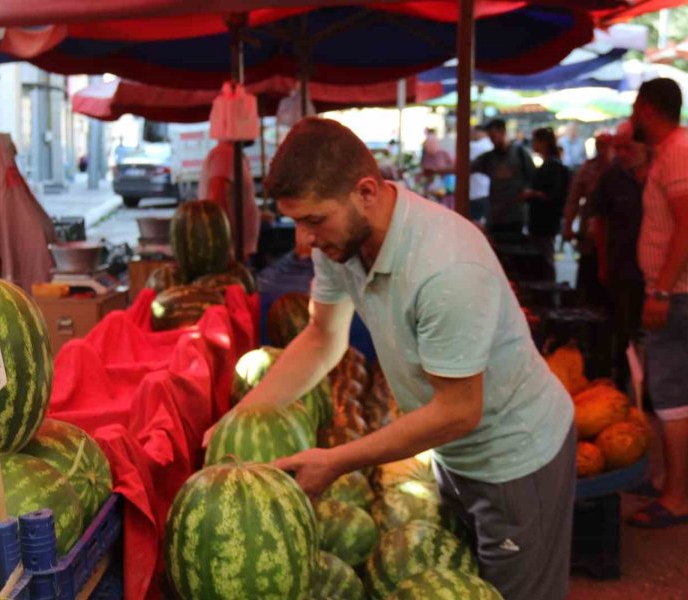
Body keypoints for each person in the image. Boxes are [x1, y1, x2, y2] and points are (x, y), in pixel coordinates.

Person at [215, 117, 576, 600]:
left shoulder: (447, 267)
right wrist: (239, 419)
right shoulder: (340, 244)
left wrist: (335, 461)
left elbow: (459, 410)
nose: (303, 242)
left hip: (515, 458)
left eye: (314, 221)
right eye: (295, 222)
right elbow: (322, 337)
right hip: (454, 451)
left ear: (366, 192)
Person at [626, 78, 688, 528]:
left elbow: (687, 227)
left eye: (634, 108)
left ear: (647, 108)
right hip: (683, 290)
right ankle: (670, 480)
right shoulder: (672, 152)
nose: (630, 116)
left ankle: (677, 496)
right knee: (674, 389)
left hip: (684, 293)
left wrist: (662, 290)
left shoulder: (682, 153)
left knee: (668, 390)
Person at [589, 121, 649, 391]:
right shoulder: (612, 177)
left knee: (650, 334)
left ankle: (646, 389)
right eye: (619, 148)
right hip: (622, 265)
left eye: (629, 147)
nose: (622, 153)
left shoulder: (660, 173)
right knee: (623, 331)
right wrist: (602, 261)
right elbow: (599, 221)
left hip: (657, 272)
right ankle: (623, 386)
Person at [562, 132, 614, 307]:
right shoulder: (587, 169)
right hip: (589, 234)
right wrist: (568, 226)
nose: (602, 150)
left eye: (605, 145)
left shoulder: (619, 170)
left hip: (612, 236)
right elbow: (573, 201)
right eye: (599, 145)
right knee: (587, 276)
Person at [471, 119, 536, 237]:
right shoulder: (489, 157)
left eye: (493, 136)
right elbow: (468, 168)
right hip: (496, 215)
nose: (492, 140)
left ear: (503, 133)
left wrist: (526, 192)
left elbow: (533, 177)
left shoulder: (520, 153)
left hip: (516, 213)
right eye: (490, 137)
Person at [198, 140, 260, 259]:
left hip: (236, 250)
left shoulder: (232, 154)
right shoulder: (225, 154)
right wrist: (227, 245)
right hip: (231, 253)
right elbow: (217, 197)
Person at [522, 128, 570, 278]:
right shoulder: (550, 164)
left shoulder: (552, 166)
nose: (533, 144)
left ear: (543, 143)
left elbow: (554, 195)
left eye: (535, 141)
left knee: (545, 259)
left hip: (545, 221)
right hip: (542, 221)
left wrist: (533, 194)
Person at [470, 124, 494, 225]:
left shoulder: (473, 147)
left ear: (477, 132)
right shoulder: (491, 145)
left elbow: (463, 166)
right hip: (487, 191)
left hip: (475, 192)